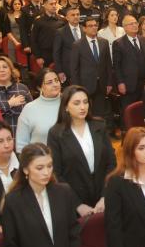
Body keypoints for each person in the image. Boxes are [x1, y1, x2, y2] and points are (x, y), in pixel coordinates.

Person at [47, 85, 115, 218]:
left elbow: (111, 163)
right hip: (74, 200)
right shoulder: (56, 134)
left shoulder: (99, 126)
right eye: (77, 103)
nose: (83, 107)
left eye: (85, 102)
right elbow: (56, 173)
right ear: (66, 107)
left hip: (103, 197)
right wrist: (77, 205)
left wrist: (105, 196)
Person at [112, 14, 145, 121]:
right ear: (125, 27)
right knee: (129, 112)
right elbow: (117, 65)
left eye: (136, 23)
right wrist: (120, 83)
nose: (134, 25)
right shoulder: (118, 43)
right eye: (131, 24)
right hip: (129, 84)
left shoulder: (144, 40)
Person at [69, 15, 114, 120]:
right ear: (84, 29)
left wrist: (109, 83)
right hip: (85, 85)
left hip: (102, 84)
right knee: (86, 114)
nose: (94, 28)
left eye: (95, 25)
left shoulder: (104, 42)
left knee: (100, 115)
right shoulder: (77, 45)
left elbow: (108, 64)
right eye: (90, 26)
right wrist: (77, 88)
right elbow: (74, 69)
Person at [0, 55, 32, 132]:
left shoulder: (22, 88)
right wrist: (9, 104)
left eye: (5, 67)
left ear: (11, 70)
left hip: (23, 133)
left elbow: (32, 111)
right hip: (0, 135)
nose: (2, 70)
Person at [16, 68, 63, 151]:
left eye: (56, 80)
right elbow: (21, 144)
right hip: (40, 157)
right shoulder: (30, 109)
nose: (55, 84)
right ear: (39, 87)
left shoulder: (69, 103)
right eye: (49, 82)